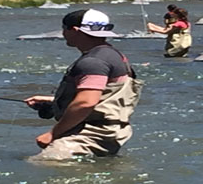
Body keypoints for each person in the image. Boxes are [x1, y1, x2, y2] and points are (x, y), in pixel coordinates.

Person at [24, 9, 143, 161]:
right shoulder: (113, 55)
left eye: (64, 29)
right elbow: (104, 95)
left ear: (74, 30)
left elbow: (85, 103)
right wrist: (53, 101)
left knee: (41, 164)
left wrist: (52, 134)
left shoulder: (93, 62)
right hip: (112, 132)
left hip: (91, 133)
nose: (63, 33)